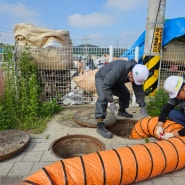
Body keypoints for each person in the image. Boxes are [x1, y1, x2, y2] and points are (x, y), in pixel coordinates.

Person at [95, 59, 149, 138]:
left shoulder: (136, 72)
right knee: (103, 98)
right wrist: (112, 102)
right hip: (102, 78)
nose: (134, 82)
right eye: (134, 80)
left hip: (116, 81)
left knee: (125, 94)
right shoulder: (117, 70)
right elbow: (106, 86)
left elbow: (138, 90)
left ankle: (122, 111)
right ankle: (100, 124)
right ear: (130, 73)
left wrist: (142, 106)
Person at [156, 75, 185, 140]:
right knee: (172, 113)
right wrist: (159, 126)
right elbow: (166, 110)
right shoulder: (179, 95)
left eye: (177, 94)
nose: (177, 97)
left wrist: (174, 134)